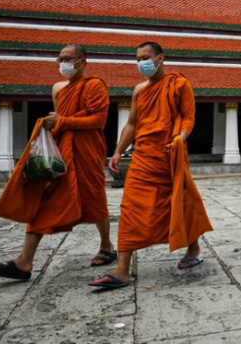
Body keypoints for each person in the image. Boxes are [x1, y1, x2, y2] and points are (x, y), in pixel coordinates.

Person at [90, 41, 213, 289]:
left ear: (160, 59)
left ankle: (193, 246)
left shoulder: (179, 84)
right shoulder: (139, 90)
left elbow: (188, 117)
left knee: (180, 202)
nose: (140, 63)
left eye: (145, 57)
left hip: (171, 153)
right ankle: (122, 268)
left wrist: (180, 138)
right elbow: (132, 124)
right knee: (131, 207)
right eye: (137, 58)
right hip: (143, 156)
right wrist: (117, 151)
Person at [0, 44, 114, 280]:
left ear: (83, 62)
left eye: (70, 58)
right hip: (63, 150)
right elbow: (60, 119)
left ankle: (107, 246)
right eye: (61, 58)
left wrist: (62, 122)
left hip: (87, 150)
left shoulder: (94, 85)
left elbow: (97, 120)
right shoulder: (58, 88)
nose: (64, 63)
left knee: (94, 198)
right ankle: (24, 260)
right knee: (46, 200)